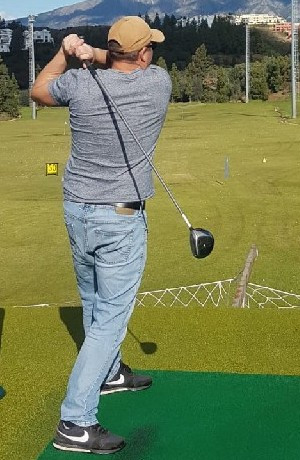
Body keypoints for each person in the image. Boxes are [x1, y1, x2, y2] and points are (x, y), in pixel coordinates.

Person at [32, 16, 172, 454]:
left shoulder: (78, 84)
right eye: (150, 47)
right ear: (143, 54)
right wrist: (89, 53)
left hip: (77, 209)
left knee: (93, 299)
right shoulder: (158, 84)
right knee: (110, 319)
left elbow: (39, 90)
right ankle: (75, 422)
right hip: (121, 216)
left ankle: (110, 375)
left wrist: (66, 51)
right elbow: (119, 62)